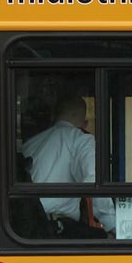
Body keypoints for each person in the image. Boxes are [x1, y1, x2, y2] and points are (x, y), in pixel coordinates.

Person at [21, 93, 116, 236]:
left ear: (55, 115)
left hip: (25, 227)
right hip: (55, 230)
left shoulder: (30, 144)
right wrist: (112, 225)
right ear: (84, 122)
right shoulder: (81, 140)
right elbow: (93, 182)